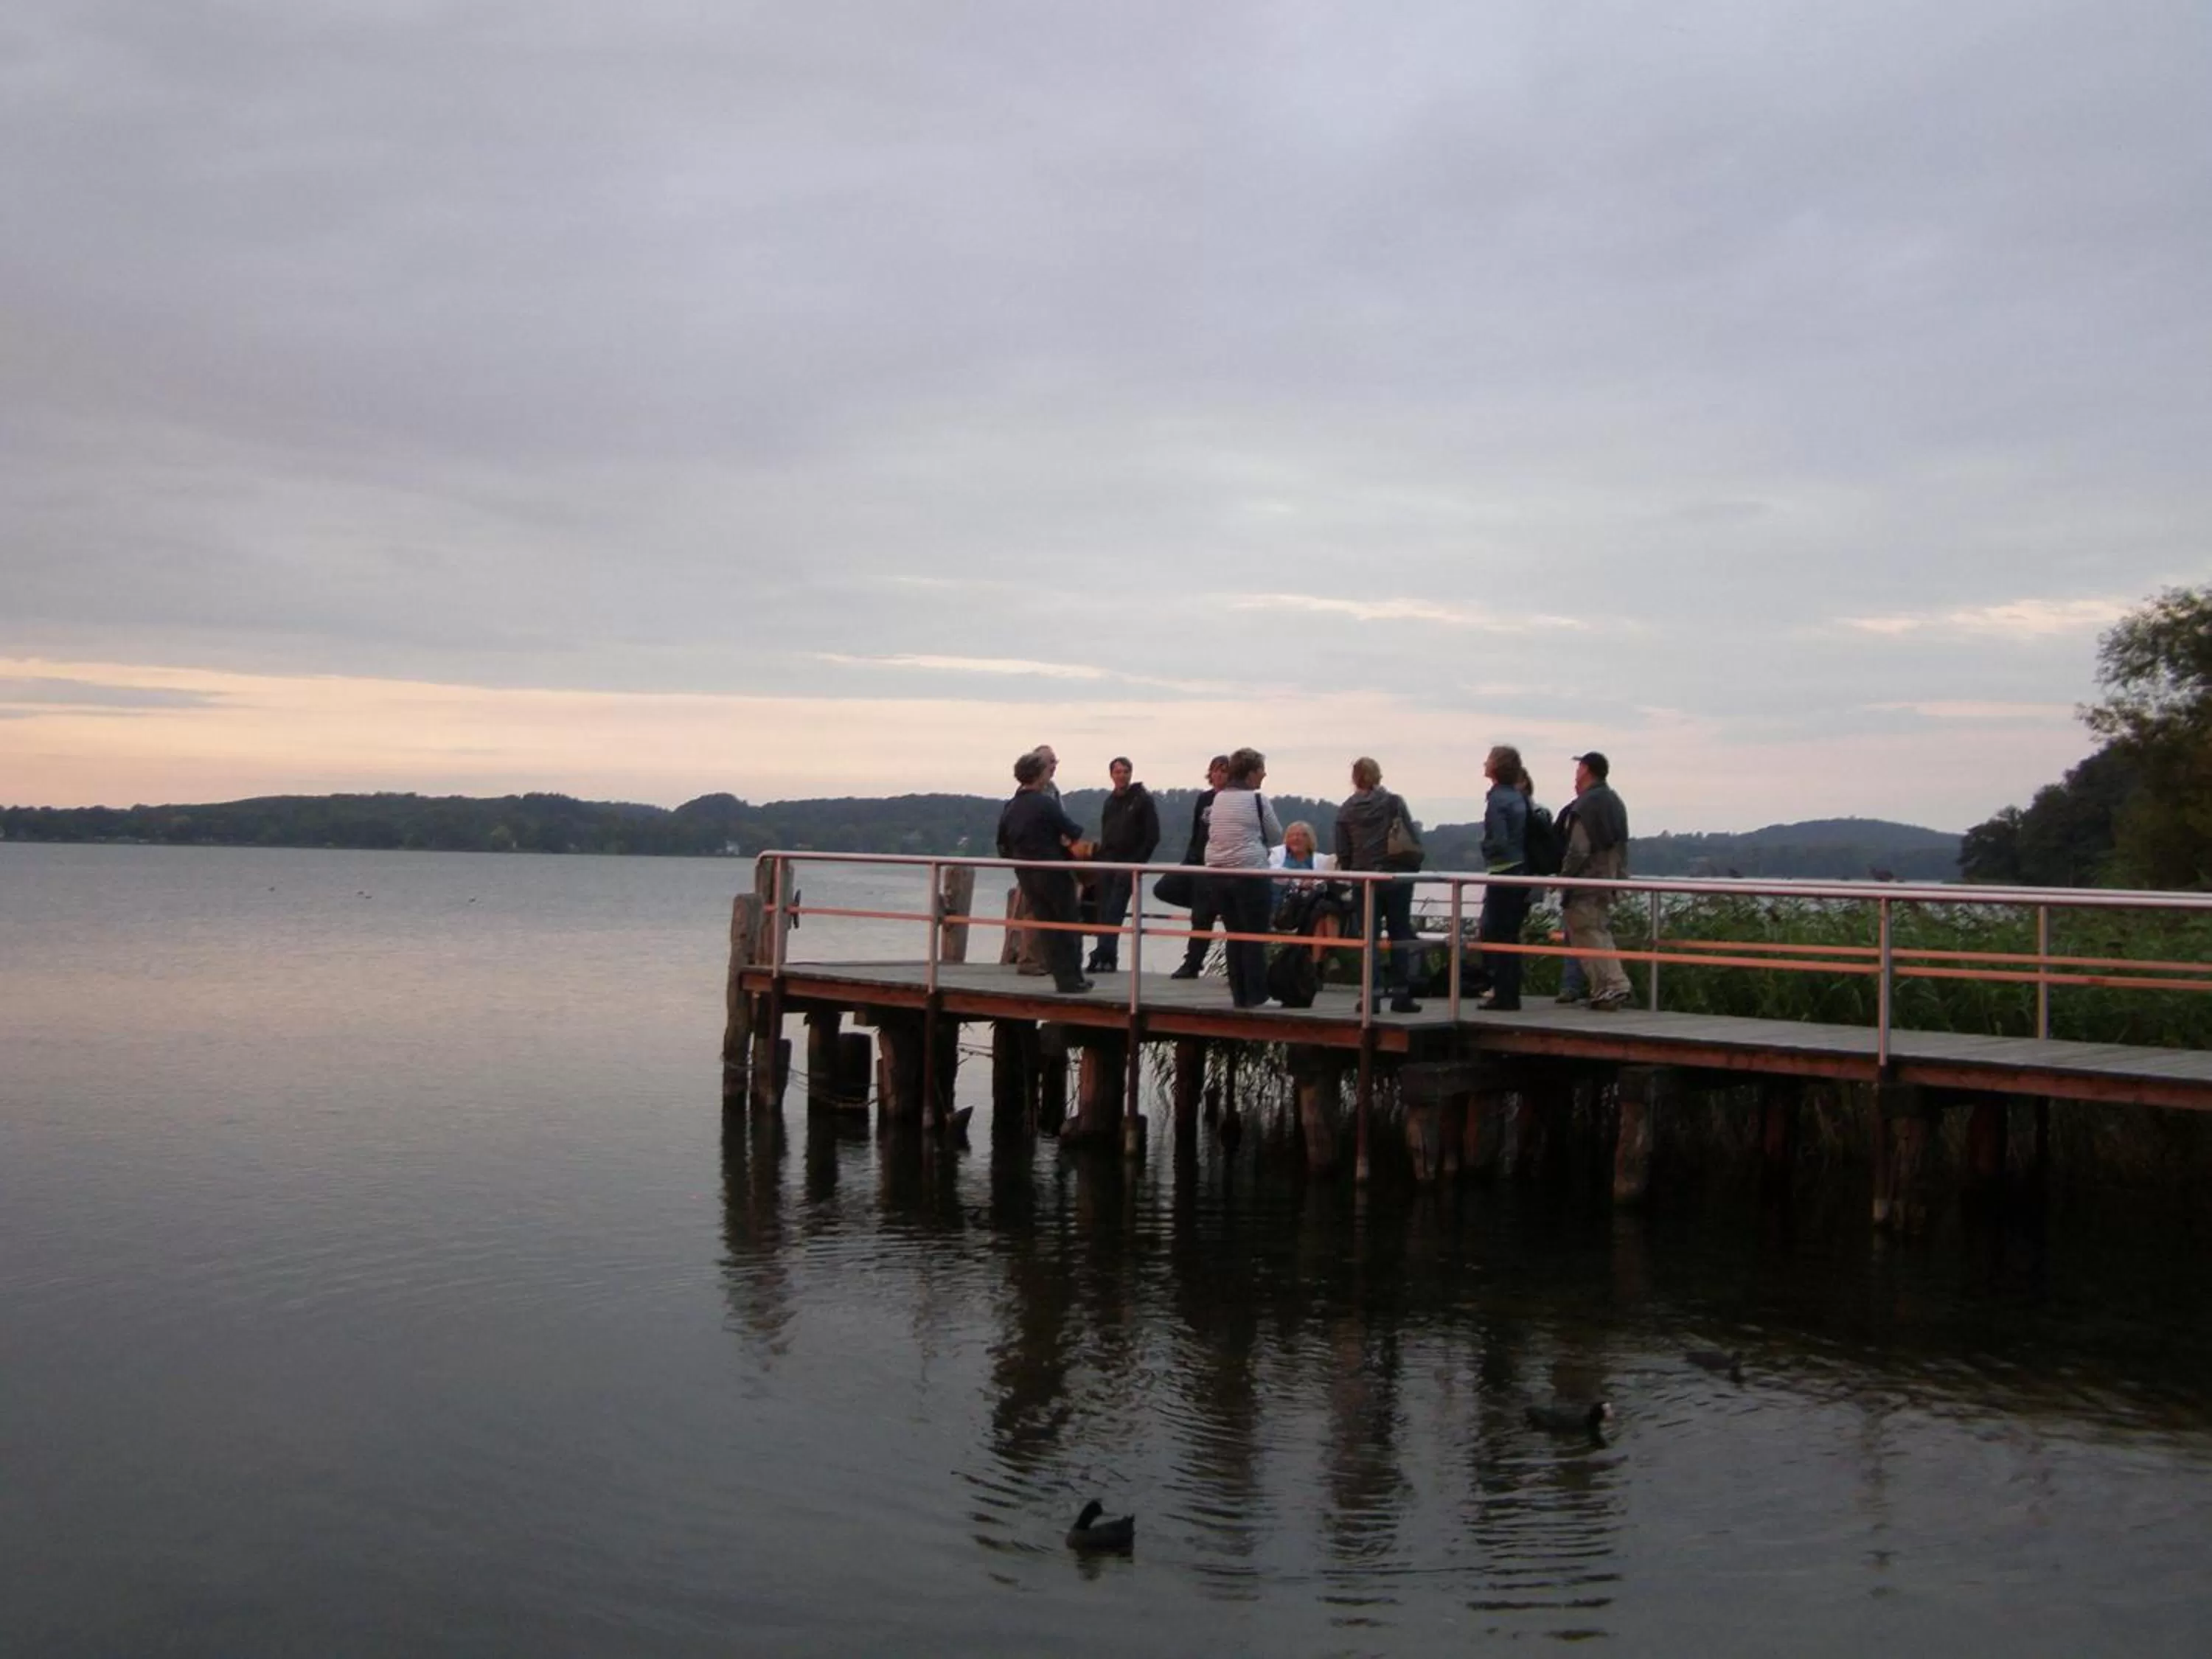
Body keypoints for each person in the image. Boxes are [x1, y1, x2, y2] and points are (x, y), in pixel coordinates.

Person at [997, 751, 1096, 995]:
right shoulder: (1045, 803)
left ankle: (1064, 979)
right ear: (1039, 775)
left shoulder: (1011, 806)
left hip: (1026, 874)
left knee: (1048, 927)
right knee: (1068, 924)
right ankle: (1072, 979)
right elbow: (1073, 830)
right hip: (1053, 871)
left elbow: (1002, 845)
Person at [1333, 757, 1423, 1014]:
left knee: (1368, 939)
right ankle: (1401, 996)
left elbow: (1342, 850)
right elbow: (1411, 836)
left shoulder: (1347, 809)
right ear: (1379, 776)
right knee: (1400, 936)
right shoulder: (1394, 803)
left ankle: (1370, 997)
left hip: (1365, 881)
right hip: (1396, 878)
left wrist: (1353, 871)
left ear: (1354, 778)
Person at [1203, 748, 1282, 1008]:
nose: (1264, 774)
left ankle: (1239, 995)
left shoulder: (1218, 800)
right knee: (1254, 936)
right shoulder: (1258, 800)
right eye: (1261, 770)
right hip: (1250, 874)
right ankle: (1257, 995)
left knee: (1234, 934)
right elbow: (1275, 834)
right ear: (1251, 773)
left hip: (1218, 875)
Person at [1562, 751, 1633, 1010]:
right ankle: (1602, 987)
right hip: (1609, 878)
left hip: (1587, 881)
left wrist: (1564, 878)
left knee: (1588, 932)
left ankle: (1614, 984)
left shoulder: (1587, 805)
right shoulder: (1614, 801)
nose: (1575, 775)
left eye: (1578, 769)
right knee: (1596, 931)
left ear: (1585, 770)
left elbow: (1578, 849)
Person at [1088, 756, 1159, 972]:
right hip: (1107, 862)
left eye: (1125, 771)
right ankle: (1107, 957)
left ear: (1131, 773)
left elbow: (1152, 835)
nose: (1121, 776)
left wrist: (1138, 863)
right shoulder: (1110, 801)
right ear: (1111, 775)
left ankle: (1102, 955)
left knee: (1116, 909)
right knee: (1104, 910)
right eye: (1117, 772)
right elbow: (1106, 832)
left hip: (1129, 864)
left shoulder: (1143, 800)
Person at [1475, 744, 1531, 1011]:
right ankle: (1511, 991)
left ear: (1497, 767)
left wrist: (1484, 848)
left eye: (1488, 760)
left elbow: (1497, 839)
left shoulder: (1497, 799)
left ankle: (1502, 994)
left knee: (1496, 933)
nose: (1484, 763)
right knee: (1510, 934)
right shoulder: (1518, 797)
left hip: (1502, 871)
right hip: (1519, 869)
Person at [1170, 755, 1233, 978]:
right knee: (1200, 917)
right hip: (1201, 866)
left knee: (1231, 919)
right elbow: (1196, 831)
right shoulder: (1204, 799)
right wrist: (1190, 860)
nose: (1219, 775)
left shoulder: (1235, 800)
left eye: (1224, 771)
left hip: (1224, 867)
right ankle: (1192, 963)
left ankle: (1236, 967)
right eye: (1216, 771)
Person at [1270, 821, 1346, 961]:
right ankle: (1329, 955)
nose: (1297, 838)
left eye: (1303, 835)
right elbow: (1274, 873)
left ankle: (1316, 962)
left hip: (1311, 905)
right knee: (1324, 909)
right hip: (1287, 908)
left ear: (1310, 839)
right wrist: (1300, 881)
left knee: (1322, 911)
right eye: (1293, 835)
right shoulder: (1277, 855)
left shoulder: (1321, 860)